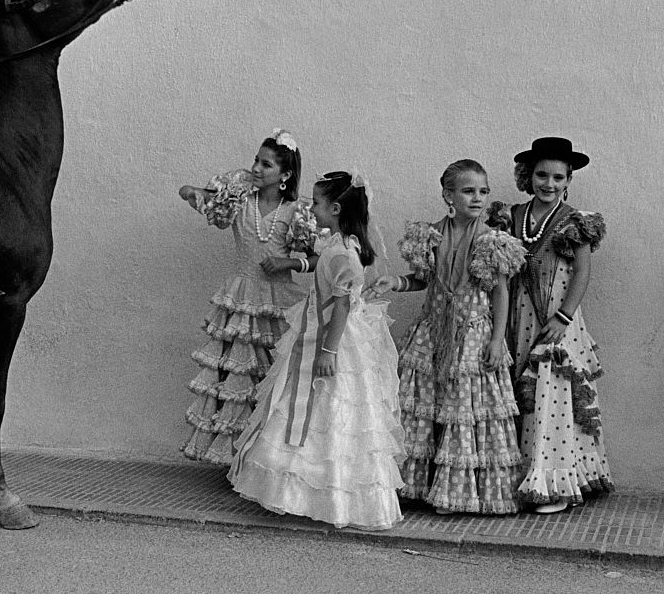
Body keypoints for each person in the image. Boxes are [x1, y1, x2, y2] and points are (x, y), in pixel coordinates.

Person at [229, 170, 403, 530]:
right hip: (318, 329)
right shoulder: (337, 243)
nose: (310, 207)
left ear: (336, 207)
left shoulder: (344, 254)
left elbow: (341, 306)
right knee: (308, 401)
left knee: (331, 405)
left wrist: (329, 350)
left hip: (331, 336)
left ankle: (331, 493)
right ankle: (298, 490)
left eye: (317, 202)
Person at [371, 159, 525, 514]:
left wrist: (497, 339)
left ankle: (457, 492)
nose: (478, 199)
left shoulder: (490, 240)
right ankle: (417, 485)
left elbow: (500, 292)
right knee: (426, 409)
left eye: (483, 192)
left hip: (472, 335)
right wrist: (396, 282)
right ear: (448, 195)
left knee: (464, 410)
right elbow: (423, 279)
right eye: (469, 191)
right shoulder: (431, 236)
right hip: (433, 332)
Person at [176, 130, 319, 464]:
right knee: (238, 378)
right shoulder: (239, 201)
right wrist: (198, 192)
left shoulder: (297, 212)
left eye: (265, 164)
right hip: (239, 298)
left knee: (272, 376)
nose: (256, 168)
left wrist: (289, 261)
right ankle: (237, 456)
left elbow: (317, 257)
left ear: (284, 175)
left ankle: (269, 457)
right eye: (256, 160)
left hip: (277, 301)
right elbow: (189, 193)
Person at [493, 137, 612, 513]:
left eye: (558, 177)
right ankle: (519, 476)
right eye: (542, 175)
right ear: (529, 177)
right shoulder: (510, 217)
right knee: (518, 393)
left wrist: (563, 317)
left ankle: (554, 482)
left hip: (558, 320)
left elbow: (582, 272)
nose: (549, 184)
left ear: (568, 180)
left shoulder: (575, 222)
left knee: (552, 393)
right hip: (517, 317)